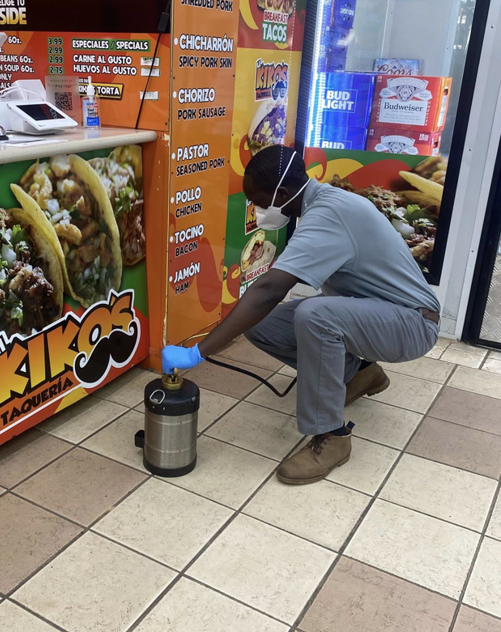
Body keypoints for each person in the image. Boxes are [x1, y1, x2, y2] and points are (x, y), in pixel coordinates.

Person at [162, 145, 440, 484]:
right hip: (380, 312)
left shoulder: (329, 214)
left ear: (282, 193)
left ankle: (332, 435)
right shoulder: (320, 204)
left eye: (259, 202)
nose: (257, 210)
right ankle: (360, 374)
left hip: (412, 323)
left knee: (315, 315)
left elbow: (269, 290)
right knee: (262, 325)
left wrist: (198, 352)